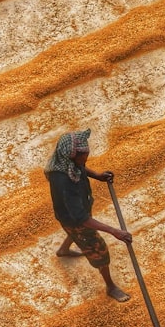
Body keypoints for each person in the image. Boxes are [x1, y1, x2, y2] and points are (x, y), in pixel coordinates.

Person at [45, 129, 132, 302]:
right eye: (83, 156)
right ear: (71, 156)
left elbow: (81, 168)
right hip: (75, 220)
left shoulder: (63, 163)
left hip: (74, 211)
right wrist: (115, 231)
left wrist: (98, 176)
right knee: (99, 250)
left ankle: (63, 250)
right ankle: (110, 287)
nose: (85, 159)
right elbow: (81, 219)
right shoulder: (64, 181)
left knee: (76, 232)